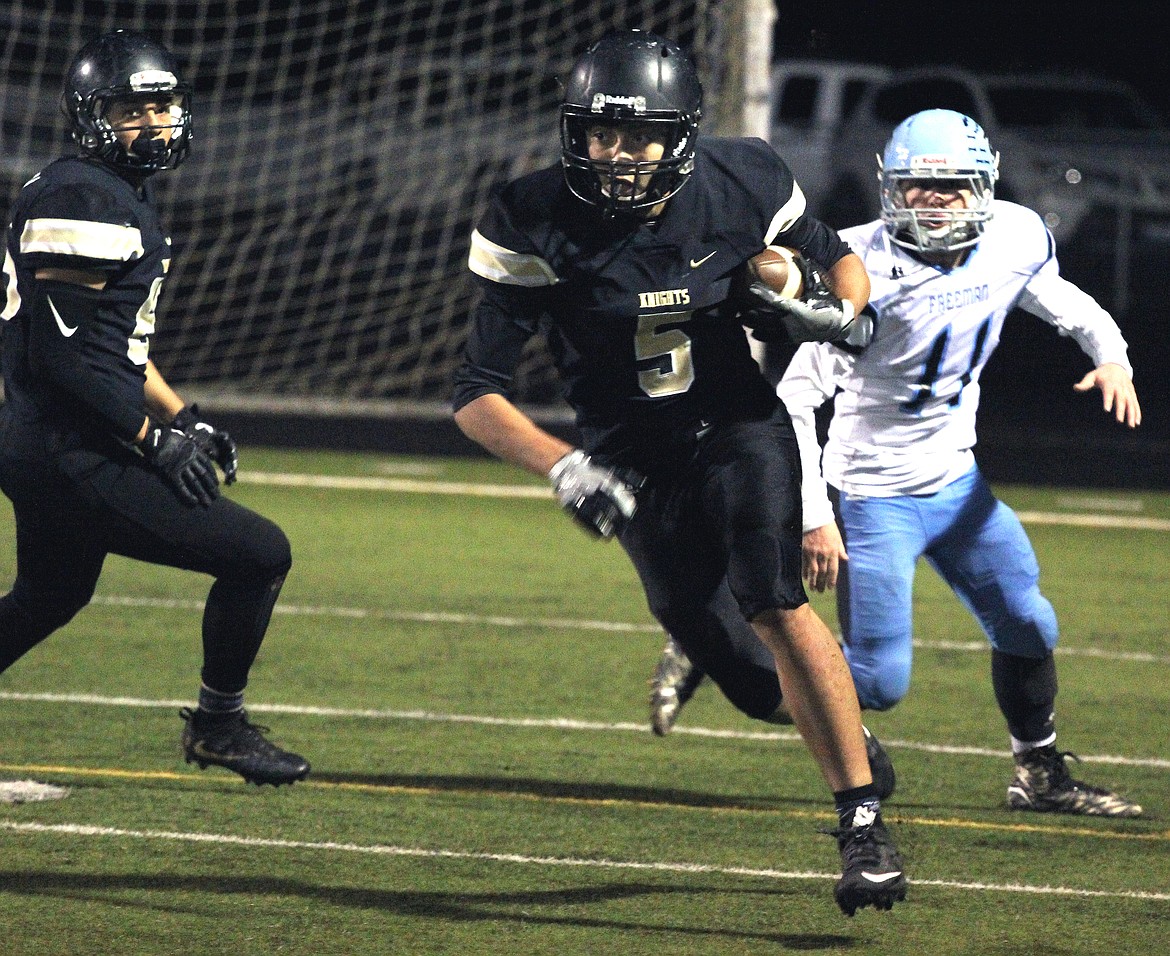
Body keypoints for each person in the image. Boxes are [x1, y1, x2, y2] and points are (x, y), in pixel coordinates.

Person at [452, 29, 906, 916]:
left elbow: (836, 255)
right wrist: (564, 466)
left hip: (736, 427)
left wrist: (837, 309)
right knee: (742, 678)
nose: (614, 157)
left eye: (637, 138)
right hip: (628, 461)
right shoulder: (530, 215)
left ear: (684, 136)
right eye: (597, 135)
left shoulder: (743, 180)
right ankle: (848, 744)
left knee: (775, 598)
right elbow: (474, 394)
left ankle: (860, 823)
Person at [649, 108, 1143, 818]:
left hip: (960, 488)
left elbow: (1065, 304)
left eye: (952, 187)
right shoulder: (856, 269)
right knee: (876, 684)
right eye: (918, 187)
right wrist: (817, 518)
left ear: (984, 187)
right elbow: (794, 396)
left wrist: (1113, 358)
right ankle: (716, 640)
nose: (934, 202)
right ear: (890, 189)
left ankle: (1038, 772)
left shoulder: (1013, 235)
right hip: (873, 497)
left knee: (1030, 624)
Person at [0, 30, 309, 787]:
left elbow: (113, 346)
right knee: (260, 554)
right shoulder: (81, 197)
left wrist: (180, 413)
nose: (154, 122)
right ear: (90, 114)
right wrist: (151, 437)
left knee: (50, 595)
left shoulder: (108, 189)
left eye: (163, 104)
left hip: (49, 438)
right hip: (66, 444)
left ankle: (218, 727)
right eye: (132, 108)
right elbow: (62, 358)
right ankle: (218, 725)